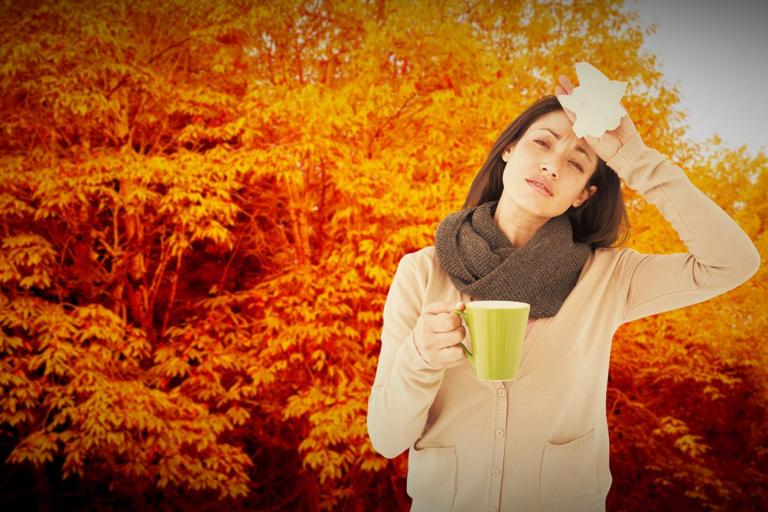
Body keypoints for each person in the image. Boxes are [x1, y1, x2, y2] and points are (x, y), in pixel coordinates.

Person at [366, 74, 761, 512]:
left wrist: (634, 159)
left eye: (576, 163)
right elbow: (386, 438)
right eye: (542, 143)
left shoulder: (608, 277)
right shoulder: (422, 271)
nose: (553, 164)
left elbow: (733, 262)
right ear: (509, 150)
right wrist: (420, 357)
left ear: (582, 195)